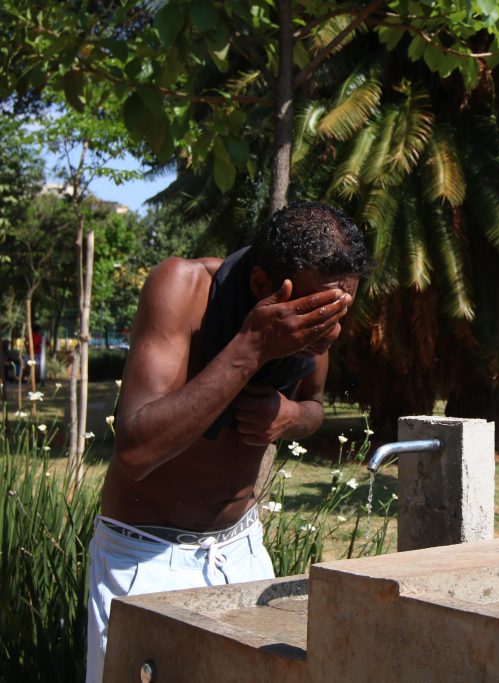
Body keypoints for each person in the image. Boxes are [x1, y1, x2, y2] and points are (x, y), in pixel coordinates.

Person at [86, 201, 369, 682]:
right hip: (147, 557)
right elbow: (135, 451)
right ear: (264, 286)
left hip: (241, 549)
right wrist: (252, 347)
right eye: (319, 312)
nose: (331, 329)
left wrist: (290, 415)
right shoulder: (182, 288)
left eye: (341, 311)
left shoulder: (314, 329)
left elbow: (315, 407)